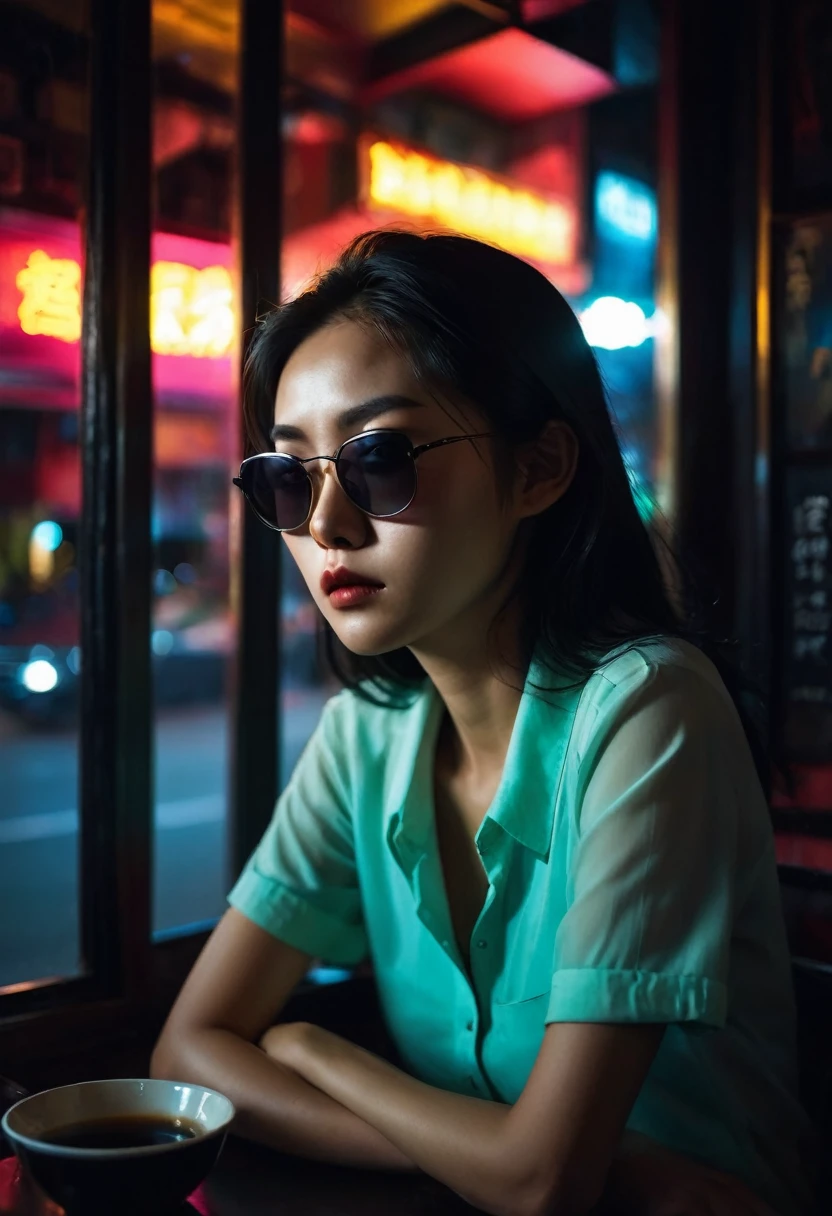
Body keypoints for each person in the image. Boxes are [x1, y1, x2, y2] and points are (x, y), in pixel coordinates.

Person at [152, 231, 815, 1216]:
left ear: (538, 469)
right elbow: (185, 1055)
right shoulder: (367, 735)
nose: (326, 523)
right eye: (288, 479)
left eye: (379, 459)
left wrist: (306, 1046)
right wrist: (483, 1155)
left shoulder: (646, 712)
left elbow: (542, 1180)